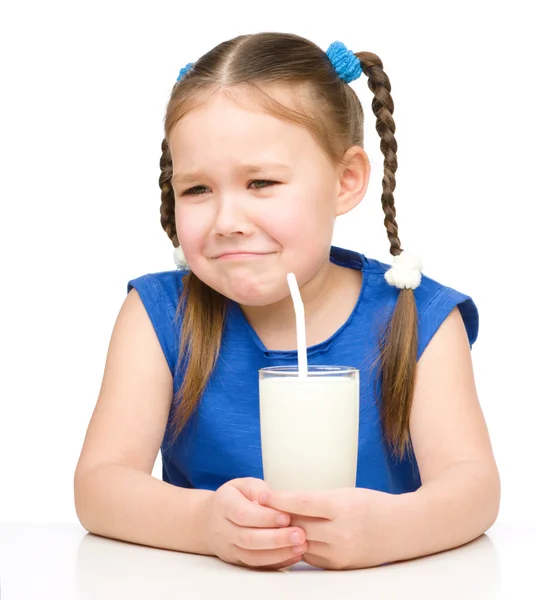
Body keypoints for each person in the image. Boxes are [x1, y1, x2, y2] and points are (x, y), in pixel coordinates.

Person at [74, 32, 501, 572]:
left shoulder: (418, 319)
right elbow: (98, 485)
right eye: (197, 190)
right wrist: (203, 523)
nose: (227, 222)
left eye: (261, 182)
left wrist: (389, 530)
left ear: (346, 181)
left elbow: (474, 486)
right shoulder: (161, 315)